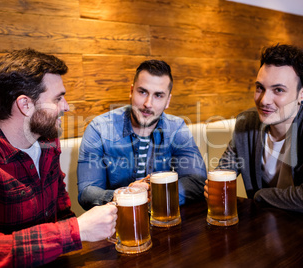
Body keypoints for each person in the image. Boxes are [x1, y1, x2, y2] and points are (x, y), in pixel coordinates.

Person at [0, 49, 117, 267]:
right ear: (25, 105)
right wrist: (76, 231)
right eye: (58, 98)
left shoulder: (47, 140)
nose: (66, 106)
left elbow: (61, 212)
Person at [205, 44, 303, 218]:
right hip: (268, 228)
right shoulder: (247, 122)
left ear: (302, 94)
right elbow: (222, 174)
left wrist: (261, 196)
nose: (264, 100)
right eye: (260, 88)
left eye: (278, 90)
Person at [77, 60, 207, 210]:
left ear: (168, 101)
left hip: (163, 220)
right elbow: (87, 192)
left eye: (158, 95)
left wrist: (156, 194)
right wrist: (128, 195)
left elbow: (197, 181)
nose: (148, 103)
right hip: (116, 223)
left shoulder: (176, 128)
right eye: (142, 92)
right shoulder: (99, 128)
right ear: (131, 91)